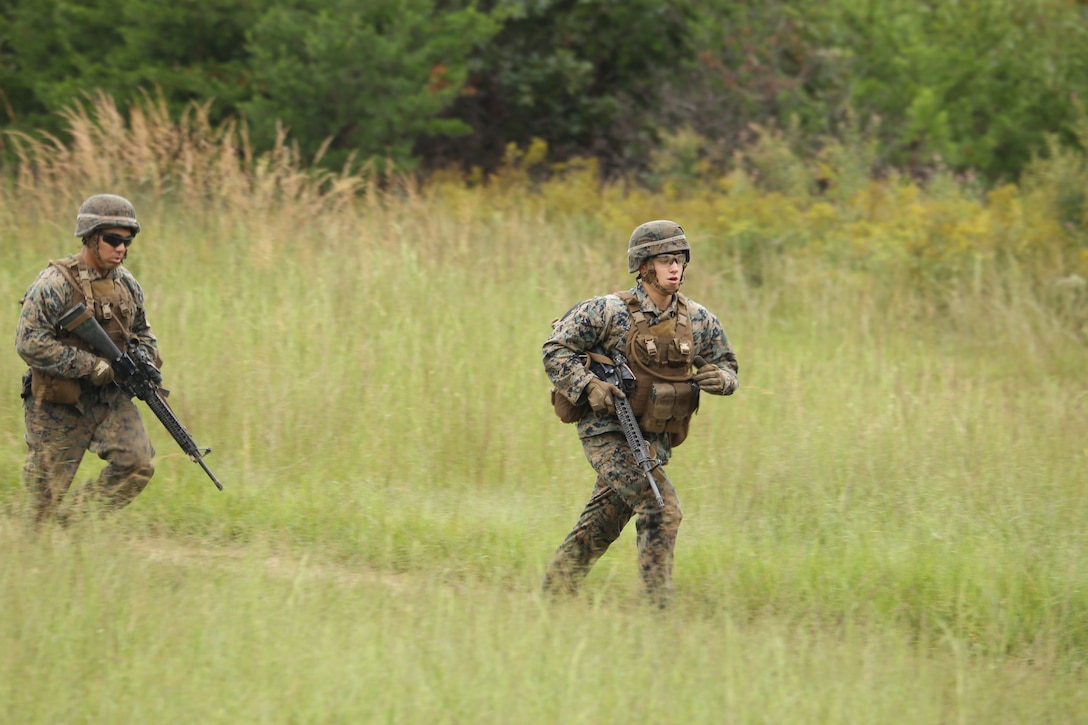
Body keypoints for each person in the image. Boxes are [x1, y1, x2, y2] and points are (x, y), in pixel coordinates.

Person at [542, 220, 738, 607]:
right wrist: (589, 386)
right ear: (644, 266)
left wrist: (722, 379)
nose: (675, 268)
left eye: (679, 259)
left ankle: (551, 600)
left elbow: (727, 365)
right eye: (665, 260)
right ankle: (658, 612)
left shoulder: (698, 320)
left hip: (654, 442)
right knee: (660, 508)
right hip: (607, 434)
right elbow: (556, 349)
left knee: (599, 527)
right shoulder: (607, 311)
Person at [15, 193, 161, 526]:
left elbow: (143, 333)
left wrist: (144, 356)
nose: (121, 248)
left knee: (138, 464)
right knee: (44, 500)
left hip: (109, 398)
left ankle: (75, 523)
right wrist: (89, 366)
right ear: (91, 237)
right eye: (113, 240)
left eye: (127, 241)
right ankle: (34, 552)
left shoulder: (129, 287)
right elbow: (28, 342)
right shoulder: (53, 285)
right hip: (59, 402)